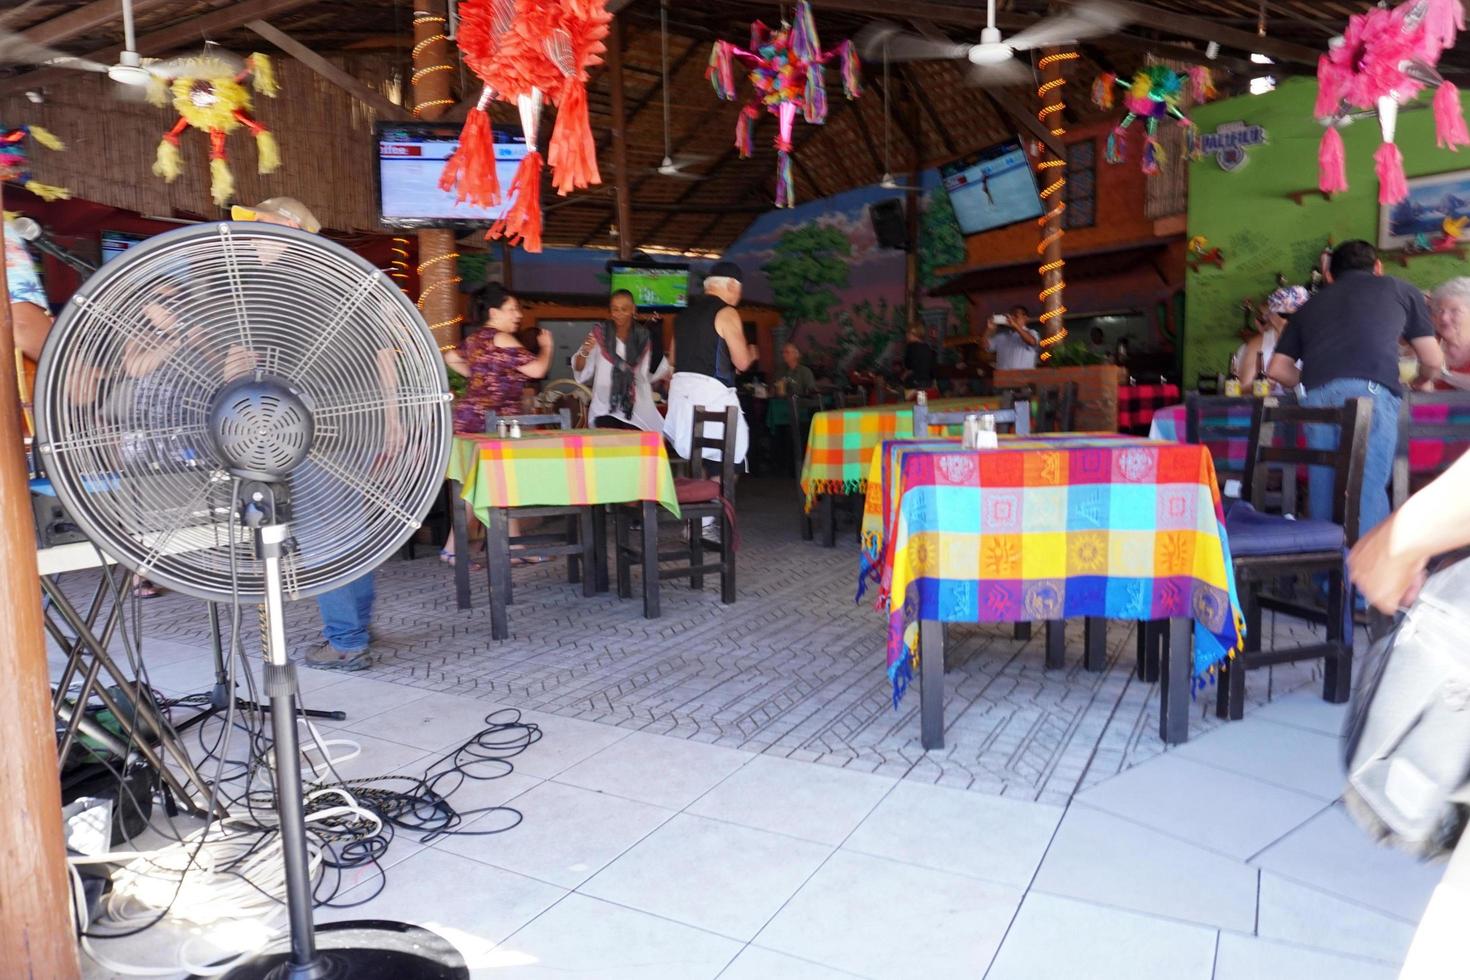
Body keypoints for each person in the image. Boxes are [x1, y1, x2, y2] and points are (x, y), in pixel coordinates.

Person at [227, 196, 404, 671]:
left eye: (259, 226)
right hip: (359, 424)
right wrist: (390, 419)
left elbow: (241, 358)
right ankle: (358, 626)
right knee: (350, 527)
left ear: (292, 228)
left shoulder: (269, 285)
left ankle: (346, 642)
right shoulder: (345, 277)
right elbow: (385, 352)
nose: (251, 237)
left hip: (312, 430)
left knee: (325, 532)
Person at [1267, 239, 1443, 539]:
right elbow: (1432, 359)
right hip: (1370, 395)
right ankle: (1365, 585)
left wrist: (1316, 383)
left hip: (1317, 401)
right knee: (1365, 490)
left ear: (1330, 276)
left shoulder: (1310, 306)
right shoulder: (1401, 290)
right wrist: (1422, 381)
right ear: (1378, 267)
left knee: (1324, 492)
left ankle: (1329, 581)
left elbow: (1276, 369)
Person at [664, 260, 754, 467]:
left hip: (683, 402)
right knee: (727, 463)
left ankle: (705, 493)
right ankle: (719, 497)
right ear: (732, 285)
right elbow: (741, 363)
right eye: (739, 290)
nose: (739, 297)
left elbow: (673, 360)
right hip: (714, 402)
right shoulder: (727, 312)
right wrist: (752, 353)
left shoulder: (682, 316)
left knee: (702, 459)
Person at [443, 283, 553, 435]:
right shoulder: (501, 338)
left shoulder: (475, 338)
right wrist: (547, 347)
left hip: (468, 419)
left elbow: (450, 358)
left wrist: (481, 376)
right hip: (492, 423)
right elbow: (537, 370)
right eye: (512, 309)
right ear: (494, 313)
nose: (519, 315)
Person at [571, 288, 666, 431]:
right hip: (604, 407)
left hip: (635, 408)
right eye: (615, 309)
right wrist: (585, 351)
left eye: (624, 309)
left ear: (633, 309)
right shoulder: (599, 334)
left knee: (637, 449)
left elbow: (650, 373)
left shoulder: (643, 337)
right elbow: (579, 369)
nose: (619, 314)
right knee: (608, 449)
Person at [1234, 285, 1307, 393]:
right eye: (1286, 316)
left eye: (1300, 315)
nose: (1293, 321)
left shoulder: (1313, 340)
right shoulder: (1259, 344)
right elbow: (1242, 390)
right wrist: (1261, 386)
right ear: (1272, 316)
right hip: (1269, 407)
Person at [1431, 277, 1470, 387]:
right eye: (1439, 310)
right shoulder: (1428, 343)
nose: (1444, 317)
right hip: (1431, 404)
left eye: (1455, 311)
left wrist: (1443, 375)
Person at [986, 305, 1040, 372]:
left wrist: (1015, 325)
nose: (1012, 318)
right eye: (1011, 315)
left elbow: (1032, 342)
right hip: (1002, 379)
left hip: (1024, 379)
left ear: (1025, 318)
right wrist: (989, 329)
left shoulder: (1032, 333)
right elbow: (983, 346)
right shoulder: (1001, 336)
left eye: (1016, 315)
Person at [901, 324, 936, 398]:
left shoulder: (911, 347)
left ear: (913, 334)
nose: (906, 335)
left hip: (914, 383)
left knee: (911, 406)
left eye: (908, 333)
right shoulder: (927, 347)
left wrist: (905, 374)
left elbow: (909, 365)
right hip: (927, 383)